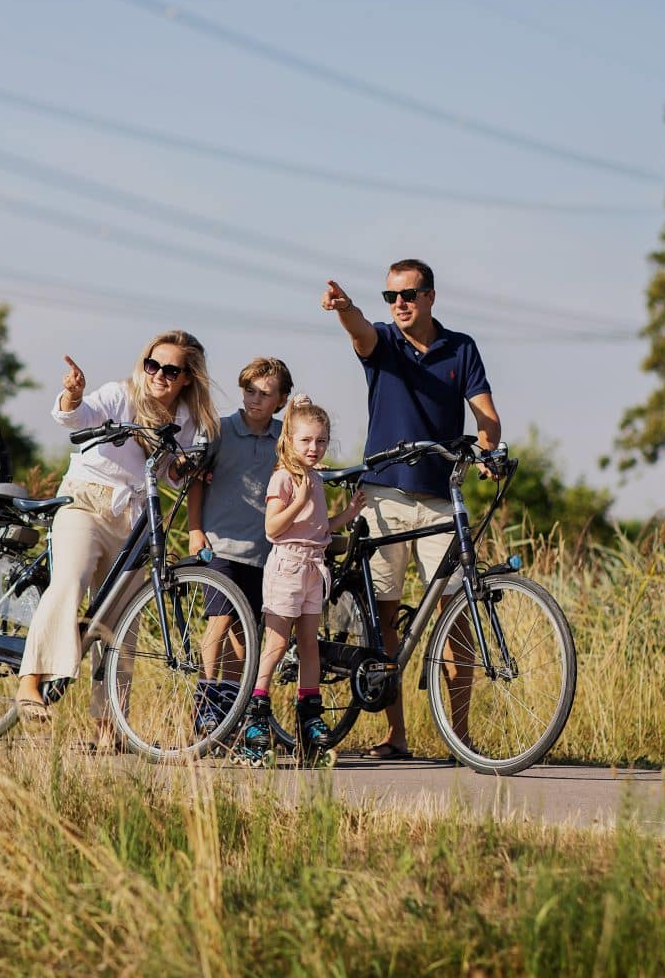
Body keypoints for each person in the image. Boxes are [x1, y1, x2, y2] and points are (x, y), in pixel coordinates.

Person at [320, 258, 502, 760]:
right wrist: (346, 307)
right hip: (383, 496)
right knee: (383, 617)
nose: (399, 303)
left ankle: (460, 739)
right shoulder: (383, 341)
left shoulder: (460, 348)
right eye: (391, 296)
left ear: (431, 296)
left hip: (442, 496)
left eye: (408, 294)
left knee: (456, 614)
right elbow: (359, 332)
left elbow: (486, 415)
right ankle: (395, 737)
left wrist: (487, 449)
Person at [15, 330, 219, 731]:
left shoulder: (187, 420)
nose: (158, 374)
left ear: (187, 378)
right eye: (152, 364)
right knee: (70, 580)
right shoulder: (119, 396)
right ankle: (29, 682)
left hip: (134, 516)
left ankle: (109, 722)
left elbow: (174, 474)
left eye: (170, 369)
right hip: (86, 502)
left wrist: (188, 467)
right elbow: (76, 417)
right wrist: (73, 394)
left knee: (123, 619)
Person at [240, 398, 366, 760]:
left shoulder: (314, 478)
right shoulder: (284, 478)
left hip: (314, 568)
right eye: (306, 441)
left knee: (310, 645)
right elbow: (273, 528)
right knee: (277, 645)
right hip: (287, 568)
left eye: (321, 441)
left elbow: (319, 528)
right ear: (289, 441)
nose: (314, 448)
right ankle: (257, 712)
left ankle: (309, 712)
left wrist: (348, 513)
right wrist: (299, 499)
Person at [185, 357, 294, 732]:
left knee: (244, 633)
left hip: (263, 551)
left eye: (266, 394)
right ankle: (204, 699)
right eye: (250, 391)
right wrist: (194, 528)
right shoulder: (221, 430)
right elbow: (197, 480)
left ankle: (229, 708)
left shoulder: (285, 438)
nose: (255, 400)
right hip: (220, 546)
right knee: (219, 621)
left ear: (280, 400)